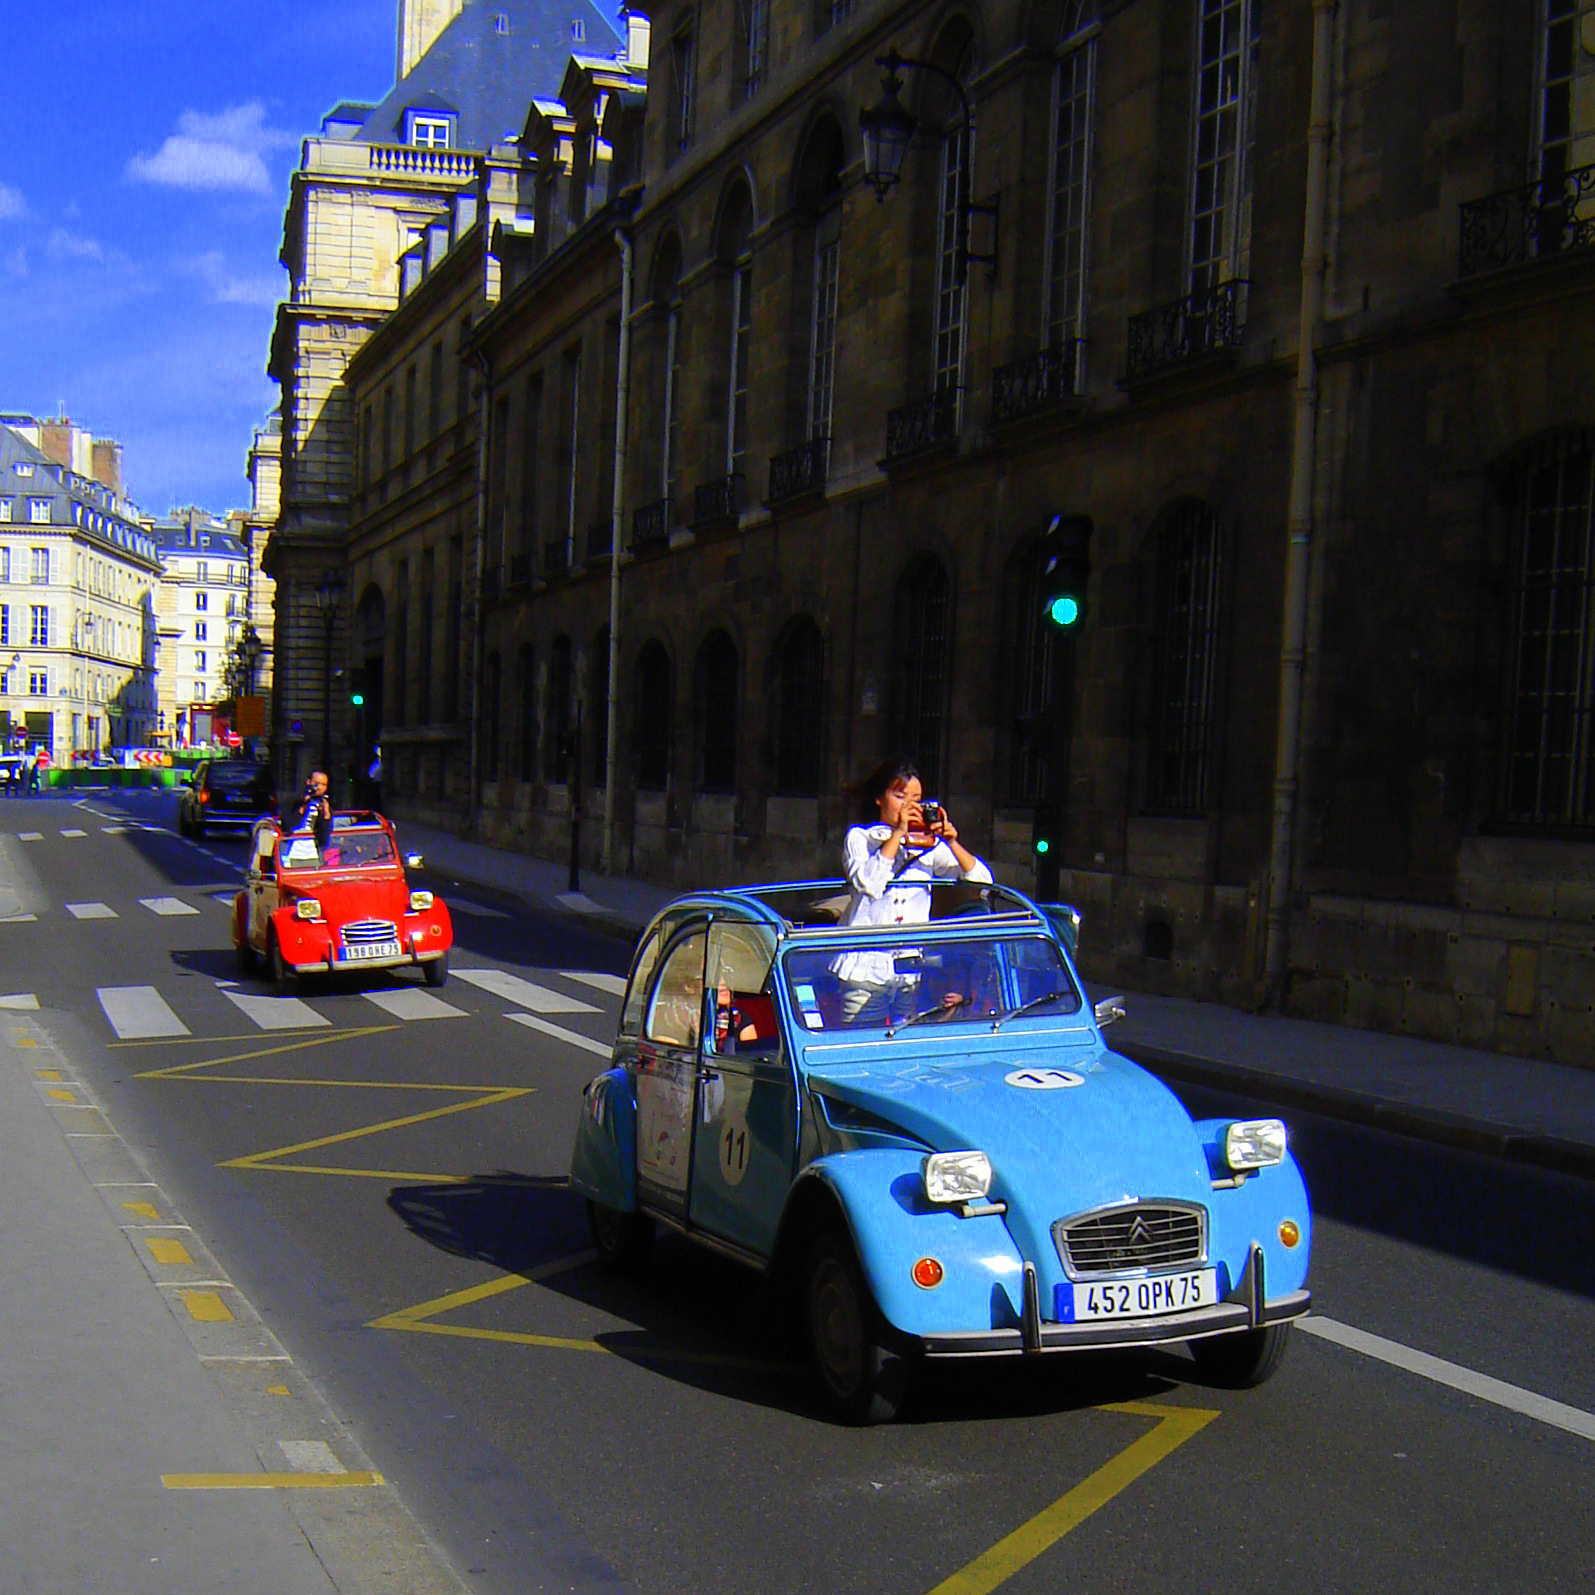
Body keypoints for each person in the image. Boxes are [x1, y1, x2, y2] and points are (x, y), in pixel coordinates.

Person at [832, 758, 993, 1024]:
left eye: (916, 799)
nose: (909, 805)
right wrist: (898, 833)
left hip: (908, 969)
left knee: (904, 1042)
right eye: (900, 796)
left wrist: (951, 841)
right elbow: (869, 883)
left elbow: (982, 882)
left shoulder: (927, 846)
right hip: (866, 968)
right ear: (879, 799)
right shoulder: (861, 838)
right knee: (864, 1042)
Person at [294, 769, 333, 854]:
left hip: (311, 853)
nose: (319, 788)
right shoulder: (295, 800)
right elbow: (289, 825)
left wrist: (326, 815)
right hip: (292, 851)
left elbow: (324, 838)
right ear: (309, 782)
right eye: (316, 783)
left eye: (323, 785)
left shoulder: (324, 804)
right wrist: (303, 805)